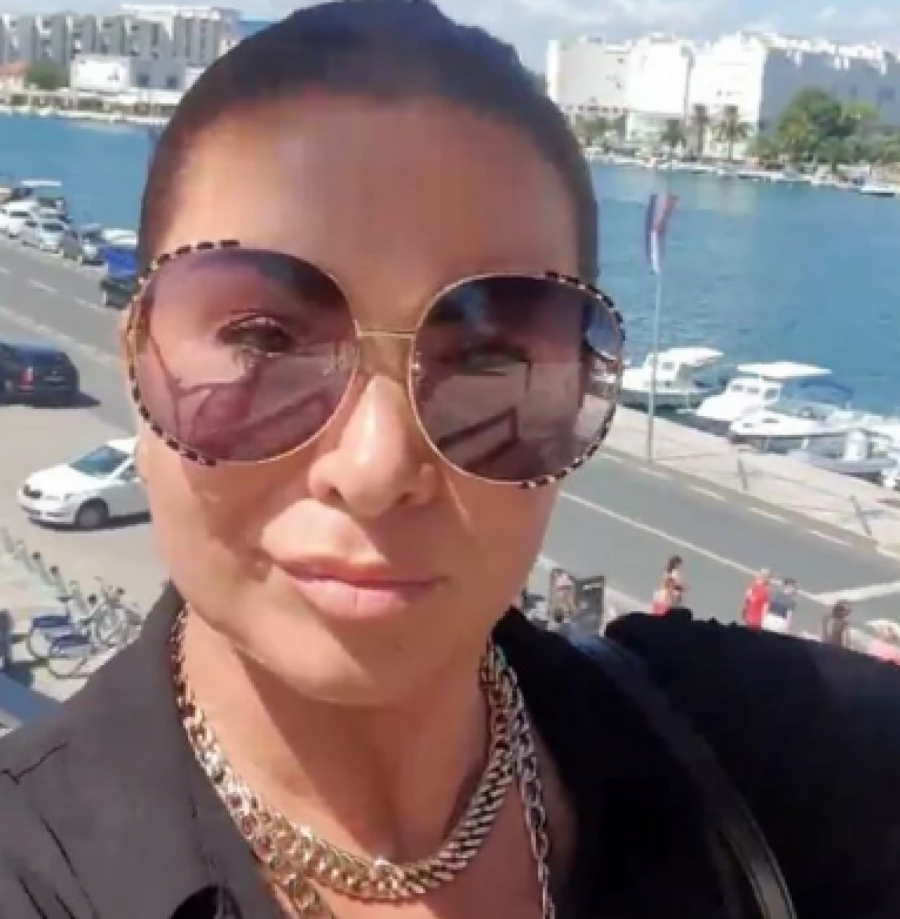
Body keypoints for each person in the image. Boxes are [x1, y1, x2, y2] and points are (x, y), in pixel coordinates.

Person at [3, 4, 900, 918]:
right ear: (136, 359)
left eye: (486, 360)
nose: (374, 467)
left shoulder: (766, 751)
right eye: (267, 339)